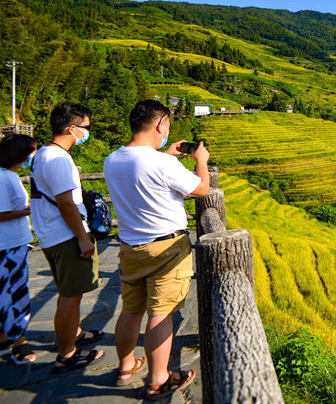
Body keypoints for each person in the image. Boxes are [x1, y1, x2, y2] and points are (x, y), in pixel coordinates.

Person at [104, 100, 209, 397]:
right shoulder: (162, 163)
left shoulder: (113, 159)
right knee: (161, 314)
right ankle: (159, 379)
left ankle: (126, 367)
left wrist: (165, 153)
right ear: (160, 124)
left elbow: (143, 170)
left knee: (131, 310)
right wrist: (200, 159)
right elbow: (201, 188)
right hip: (166, 249)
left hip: (130, 247)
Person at [29, 103, 104, 373]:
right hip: (65, 235)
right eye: (85, 128)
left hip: (51, 233)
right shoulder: (58, 159)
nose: (87, 132)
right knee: (70, 296)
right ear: (72, 128)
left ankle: (75, 332)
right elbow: (66, 204)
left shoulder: (43, 154)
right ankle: (67, 354)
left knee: (70, 293)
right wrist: (83, 237)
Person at [0, 134, 38, 364]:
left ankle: (5, 337)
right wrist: (28, 211)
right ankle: (19, 341)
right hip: (8, 245)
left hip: (13, 242)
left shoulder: (9, 175)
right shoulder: (3, 178)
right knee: (14, 293)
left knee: (7, 292)